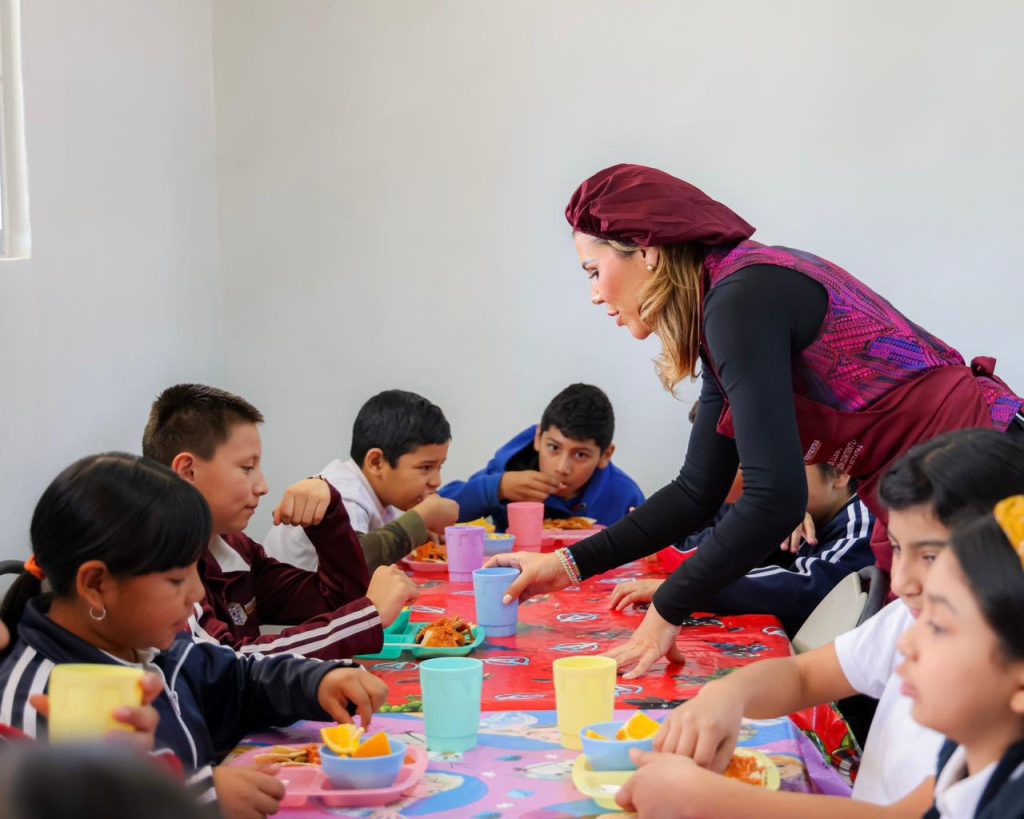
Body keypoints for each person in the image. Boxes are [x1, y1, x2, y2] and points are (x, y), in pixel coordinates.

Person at [488, 163, 1024, 678]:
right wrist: (566, 566)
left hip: (978, 469)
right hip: (921, 483)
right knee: (903, 677)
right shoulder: (725, 303)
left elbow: (775, 499)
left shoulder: (741, 301)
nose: (595, 294)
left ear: (645, 250)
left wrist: (669, 609)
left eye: (594, 271)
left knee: (959, 684)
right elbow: (698, 490)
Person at [613, 430, 1024, 816]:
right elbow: (806, 676)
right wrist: (726, 696)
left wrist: (708, 801)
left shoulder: (989, 700)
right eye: (897, 549)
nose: (900, 581)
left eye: (930, 556)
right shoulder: (910, 617)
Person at [0, 453, 388, 819]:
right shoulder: (37, 705)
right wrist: (198, 798)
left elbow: (239, 678)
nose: (199, 593)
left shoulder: (151, 647)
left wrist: (318, 681)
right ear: (96, 584)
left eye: (196, 572)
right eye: (175, 579)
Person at [142, 384, 419, 659]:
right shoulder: (158, 565)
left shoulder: (236, 550)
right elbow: (232, 665)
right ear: (188, 471)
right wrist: (367, 618)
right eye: (247, 467)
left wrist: (329, 517)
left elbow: (337, 602)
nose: (263, 486)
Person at [611, 463, 875, 636]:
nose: (772, 479)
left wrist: (690, 589)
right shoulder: (807, 514)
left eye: (789, 464)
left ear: (840, 473)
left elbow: (809, 589)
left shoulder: (863, 518)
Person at [263, 389, 459, 573]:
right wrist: (423, 517)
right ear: (376, 462)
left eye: (439, 467)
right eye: (426, 467)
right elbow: (355, 564)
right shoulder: (345, 494)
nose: (436, 481)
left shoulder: (376, 494)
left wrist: (422, 534)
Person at [440, 383, 644, 529]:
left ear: (605, 455)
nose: (562, 467)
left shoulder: (625, 496)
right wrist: (497, 488)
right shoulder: (510, 471)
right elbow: (432, 511)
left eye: (580, 454)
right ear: (538, 438)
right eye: (554, 448)